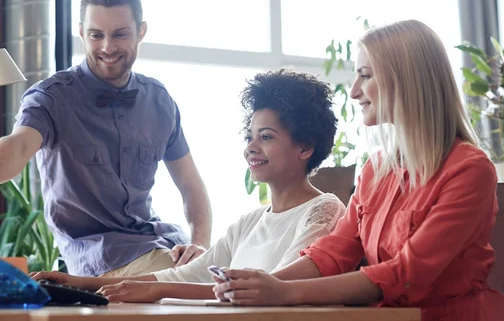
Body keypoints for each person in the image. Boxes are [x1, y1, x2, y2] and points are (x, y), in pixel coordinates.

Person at [212, 20, 504, 321]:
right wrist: (262, 285)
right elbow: (332, 254)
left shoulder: (470, 169)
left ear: (407, 80)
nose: (353, 92)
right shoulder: (375, 170)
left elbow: (407, 273)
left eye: (365, 76)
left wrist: (283, 292)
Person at [30, 69, 346, 303]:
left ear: (305, 147)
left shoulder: (324, 209)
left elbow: (271, 287)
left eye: (266, 137)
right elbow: (184, 275)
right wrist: (77, 282)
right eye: (249, 136)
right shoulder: (249, 222)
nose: (250, 147)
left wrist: (161, 288)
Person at [0, 0, 212, 277]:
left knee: (237, 276)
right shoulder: (52, 99)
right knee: (199, 284)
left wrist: (199, 243)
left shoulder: (159, 101)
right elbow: (17, 147)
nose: (107, 47)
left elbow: (191, 185)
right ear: (81, 33)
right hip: (100, 258)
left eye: (120, 34)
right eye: (96, 35)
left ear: (141, 31)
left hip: (161, 244)